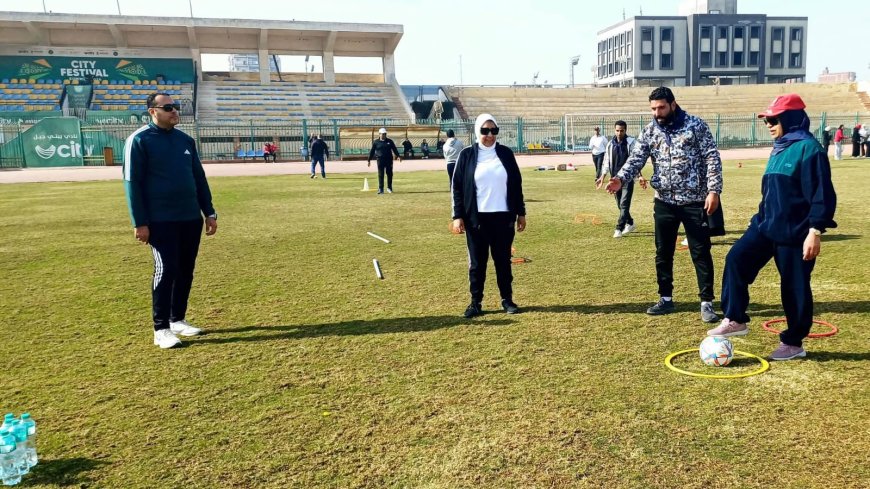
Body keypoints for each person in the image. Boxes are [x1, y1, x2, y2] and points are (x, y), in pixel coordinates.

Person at [707, 94, 837, 361]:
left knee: (794, 287)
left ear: (791, 119)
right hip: (765, 226)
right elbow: (771, 192)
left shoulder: (809, 149)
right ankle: (735, 318)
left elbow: (822, 194)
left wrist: (815, 231)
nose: (768, 124)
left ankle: (793, 343)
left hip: (796, 232)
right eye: (766, 120)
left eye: (774, 119)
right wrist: (759, 219)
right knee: (736, 259)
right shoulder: (779, 147)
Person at [605, 87, 723, 324]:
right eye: (653, 108)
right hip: (664, 202)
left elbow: (711, 156)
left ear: (673, 104)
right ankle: (665, 298)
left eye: (661, 107)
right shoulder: (650, 131)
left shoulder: (695, 125)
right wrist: (620, 178)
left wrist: (714, 190)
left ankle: (706, 302)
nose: (657, 113)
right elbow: (636, 158)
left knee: (700, 252)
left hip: (694, 201)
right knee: (663, 252)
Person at [122, 92, 217, 349]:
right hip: (160, 219)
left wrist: (209, 212)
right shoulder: (139, 140)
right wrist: (139, 222)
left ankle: (177, 319)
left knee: (185, 269)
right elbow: (132, 184)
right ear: (153, 111)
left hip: (189, 217)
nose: (175, 111)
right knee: (166, 269)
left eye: (175, 107)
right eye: (168, 107)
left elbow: (199, 178)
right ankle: (161, 328)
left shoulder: (185, 140)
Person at [451, 114, 526, 318]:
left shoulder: (505, 154)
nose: (490, 135)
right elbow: (457, 188)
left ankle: (507, 300)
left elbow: (516, 184)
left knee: (503, 261)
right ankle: (476, 302)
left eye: (494, 131)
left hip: (503, 218)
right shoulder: (467, 155)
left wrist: (521, 212)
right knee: (477, 264)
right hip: (476, 219)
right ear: (477, 131)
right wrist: (457, 216)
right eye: (485, 131)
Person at [596, 120, 648, 237]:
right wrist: (602, 176)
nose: (619, 133)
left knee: (624, 204)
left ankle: (619, 228)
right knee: (620, 205)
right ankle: (630, 223)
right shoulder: (610, 144)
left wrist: (639, 176)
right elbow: (606, 161)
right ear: (614, 130)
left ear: (625, 130)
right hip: (614, 180)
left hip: (627, 179)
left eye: (622, 131)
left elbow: (636, 160)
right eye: (617, 130)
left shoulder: (631, 143)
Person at [368, 128, 402, 194]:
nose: (383, 135)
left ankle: (389, 188)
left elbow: (394, 149)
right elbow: (372, 151)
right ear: (379, 134)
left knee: (389, 174)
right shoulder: (376, 142)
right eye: (382, 134)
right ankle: (381, 189)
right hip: (380, 160)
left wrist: (398, 156)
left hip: (389, 160)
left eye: (385, 134)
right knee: (381, 174)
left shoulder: (390, 141)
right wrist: (369, 160)